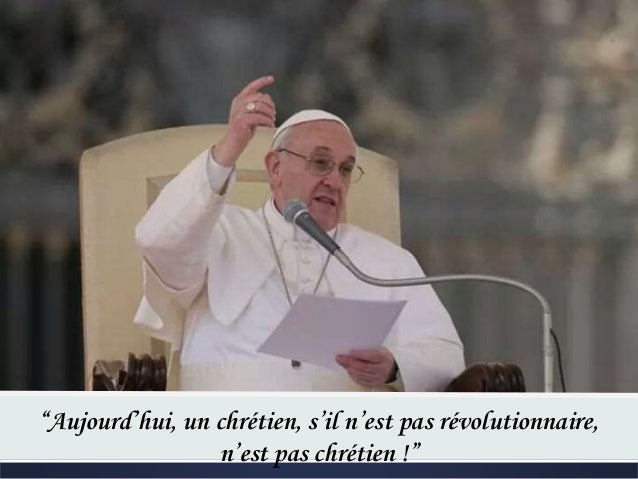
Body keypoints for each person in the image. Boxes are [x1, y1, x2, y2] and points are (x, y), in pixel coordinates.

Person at [133, 75, 464, 391]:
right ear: (275, 168)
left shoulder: (386, 261)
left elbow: (444, 352)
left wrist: (395, 366)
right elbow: (157, 241)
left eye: (346, 169)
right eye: (320, 163)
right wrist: (230, 147)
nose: (335, 181)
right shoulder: (220, 233)